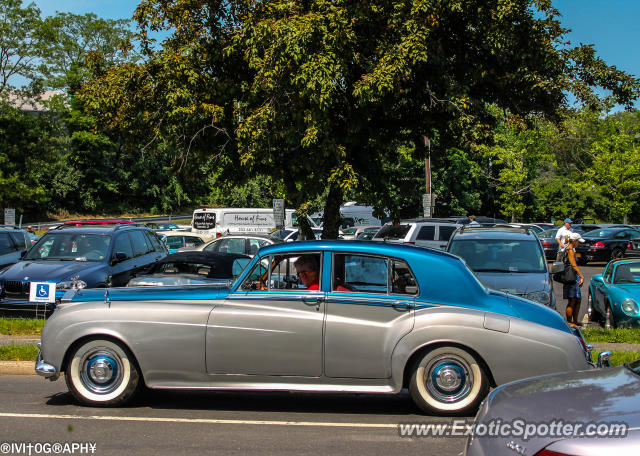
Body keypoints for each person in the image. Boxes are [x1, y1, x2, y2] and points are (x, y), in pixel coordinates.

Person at [563, 232, 585, 327]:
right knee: (572, 300)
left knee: (577, 299)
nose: (579, 244)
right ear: (574, 241)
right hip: (571, 277)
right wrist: (581, 276)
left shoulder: (568, 249)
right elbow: (573, 265)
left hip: (571, 276)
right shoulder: (570, 250)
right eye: (578, 242)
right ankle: (570, 322)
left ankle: (575, 321)